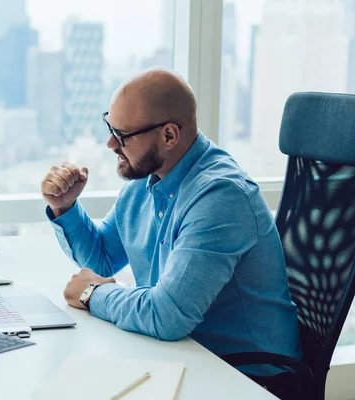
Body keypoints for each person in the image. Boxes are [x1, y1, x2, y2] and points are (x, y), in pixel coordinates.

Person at [40, 68, 301, 376]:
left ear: (168, 136)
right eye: (110, 128)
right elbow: (103, 258)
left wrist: (93, 294)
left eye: (121, 135)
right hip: (182, 357)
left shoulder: (220, 196)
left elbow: (167, 315)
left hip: (249, 379)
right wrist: (65, 207)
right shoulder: (148, 177)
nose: (111, 144)